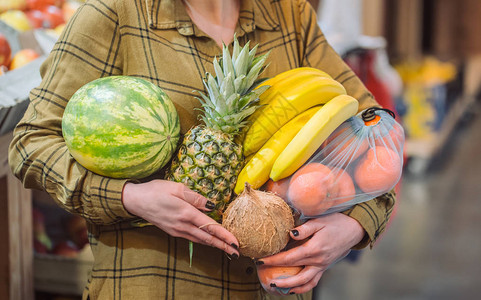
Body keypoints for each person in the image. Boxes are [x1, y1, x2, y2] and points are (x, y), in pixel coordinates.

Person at [8, 0, 395, 298]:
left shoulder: (289, 15)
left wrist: (355, 224)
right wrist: (130, 197)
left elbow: (377, 132)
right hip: (155, 285)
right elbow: (30, 144)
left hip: (277, 285)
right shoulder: (113, 14)